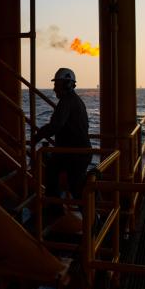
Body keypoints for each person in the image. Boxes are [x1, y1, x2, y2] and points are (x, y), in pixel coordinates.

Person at [32, 68, 91, 212]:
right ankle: (92, 215)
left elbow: (56, 125)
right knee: (72, 182)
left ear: (67, 84)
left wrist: (37, 137)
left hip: (74, 153)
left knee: (64, 180)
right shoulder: (74, 100)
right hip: (77, 151)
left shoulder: (67, 101)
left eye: (57, 85)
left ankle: (55, 209)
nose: (54, 89)